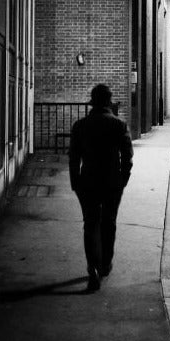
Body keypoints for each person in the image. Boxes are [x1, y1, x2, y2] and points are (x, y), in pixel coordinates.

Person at [69, 84, 133, 293]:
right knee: (108, 223)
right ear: (109, 102)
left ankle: (92, 269)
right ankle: (105, 263)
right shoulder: (119, 125)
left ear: (92, 102)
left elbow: (73, 157)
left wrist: (75, 182)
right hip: (112, 183)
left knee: (90, 224)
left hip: (87, 182)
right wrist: (123, 178)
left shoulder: (80, 126)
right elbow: (127, 156)